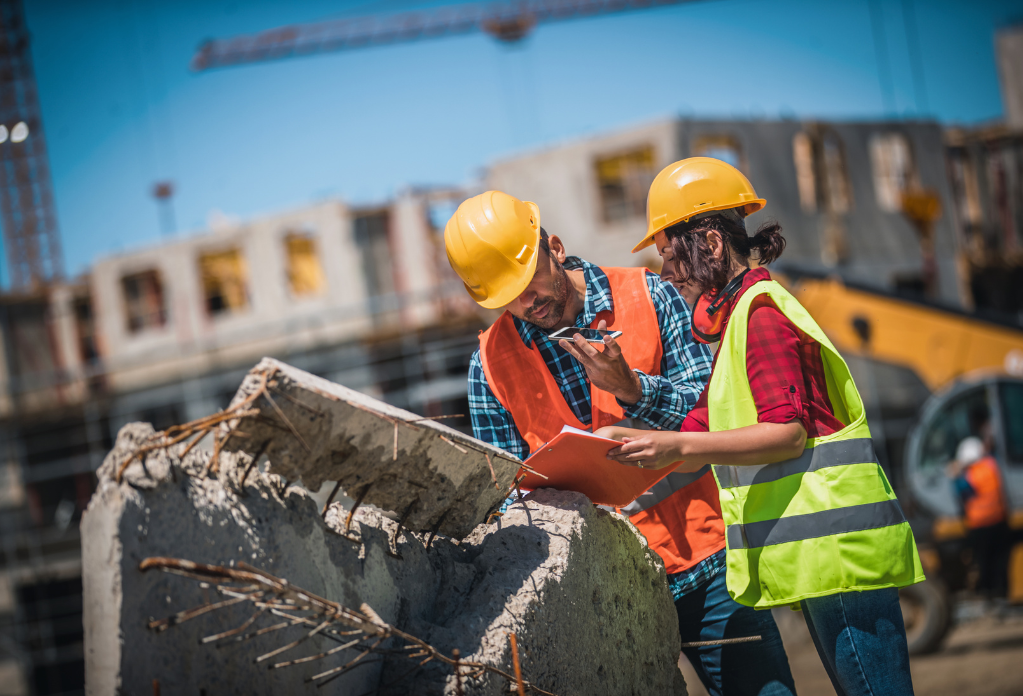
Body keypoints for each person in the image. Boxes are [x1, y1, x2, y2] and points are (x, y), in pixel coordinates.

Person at [445, 190, 797, 696]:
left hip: (707, 565)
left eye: (529, 280)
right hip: (601, 593)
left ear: (557, 248)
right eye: (507, 295)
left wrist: (632, 390)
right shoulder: (490, 365)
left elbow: (716, 412)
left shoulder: (650, 294)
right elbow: (505, 500)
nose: (527, 301)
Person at [598, 157, 925, 696]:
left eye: (670, 253)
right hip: (827, 560)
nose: (667, 271)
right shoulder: (738, 321)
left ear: (708, 243)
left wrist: (675, 442)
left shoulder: (761, 314)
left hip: (842, 556)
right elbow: (703, 425)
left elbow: (787, 433)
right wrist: (619, 440)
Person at [947, 435, 1011, 601]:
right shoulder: (991, 465)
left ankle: (989, 595)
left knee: (984, 562)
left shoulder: (970, 474)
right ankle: (1003, 593)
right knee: (1000, 561)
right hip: (999, 520)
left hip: (979, 525)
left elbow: (961, 491)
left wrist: (955, 474)